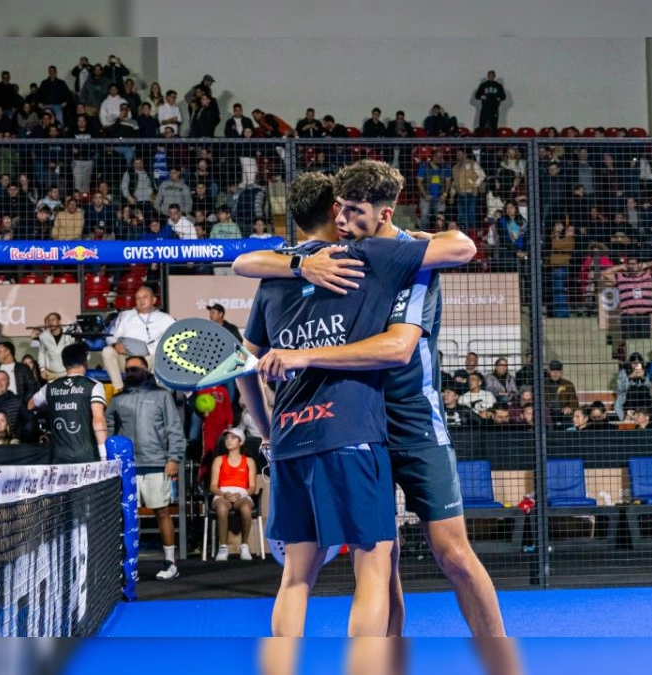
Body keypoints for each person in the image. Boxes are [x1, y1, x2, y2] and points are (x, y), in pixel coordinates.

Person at [236, 165, 514, 659]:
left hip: (413, 421)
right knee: (384, 559)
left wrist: (302, 356)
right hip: (359, 421)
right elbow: (247, 262)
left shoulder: (407, 259)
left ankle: (500, 659)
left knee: (452, 554)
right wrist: (301, 265)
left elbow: (398, 347)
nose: (341, 216)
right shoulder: (339, 255)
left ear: (382, 213)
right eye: (338, 206)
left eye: (353, 209)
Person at [107, 356, 186, 579]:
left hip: (156, 463)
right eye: (128, 370)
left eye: (135, 369)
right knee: (128, 516)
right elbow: (110, 430)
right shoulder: (118, 399)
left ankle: (171, 563)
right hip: (127, 466)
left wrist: (173, 458)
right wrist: (113, 462)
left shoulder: (162, 395)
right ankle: (128, 567)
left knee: (161, 512)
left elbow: (174, 429)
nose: (131, 373)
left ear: (146, 369)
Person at [28, 342, 107, 464]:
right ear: (85, 361)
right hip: (86, 455)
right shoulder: (94, 386)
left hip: (58, 456)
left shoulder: (50, 387)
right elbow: (99, 420)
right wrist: (104, 456)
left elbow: (30, 405)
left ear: (64, 363)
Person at [102, 285, 175, 392]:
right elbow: (111, 336)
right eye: (138, 298)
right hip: (127, 359)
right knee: (107, 351)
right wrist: (114, 345)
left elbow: (177, 339)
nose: (141, 301)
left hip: (150, 360)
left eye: (145, 297)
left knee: (163, 356)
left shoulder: (165, 319)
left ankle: (159, 393)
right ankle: (120, 390)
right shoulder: (125, 316)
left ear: (154, 300)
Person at [208, 427, 258, 562]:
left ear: (240, 442)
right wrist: (224, 494)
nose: (229, 440)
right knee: (222, 508)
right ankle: (223, 547)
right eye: (227, 437)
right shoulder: (219, 460)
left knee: (246, 509)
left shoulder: (249, 461)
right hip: (222, 493)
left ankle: (244, 545)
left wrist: (241, 495)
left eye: (233, 438)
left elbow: (252, 487)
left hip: (241, 494)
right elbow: (213, 486)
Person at [35, 312, 77, 382]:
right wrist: (42, 369)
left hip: (68, 371)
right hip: (51, 373)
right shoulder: (43, 336)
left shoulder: (69, 334)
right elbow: (42, 353)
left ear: (59, 321)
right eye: (49, 321)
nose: (51, 322)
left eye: (53, 320)